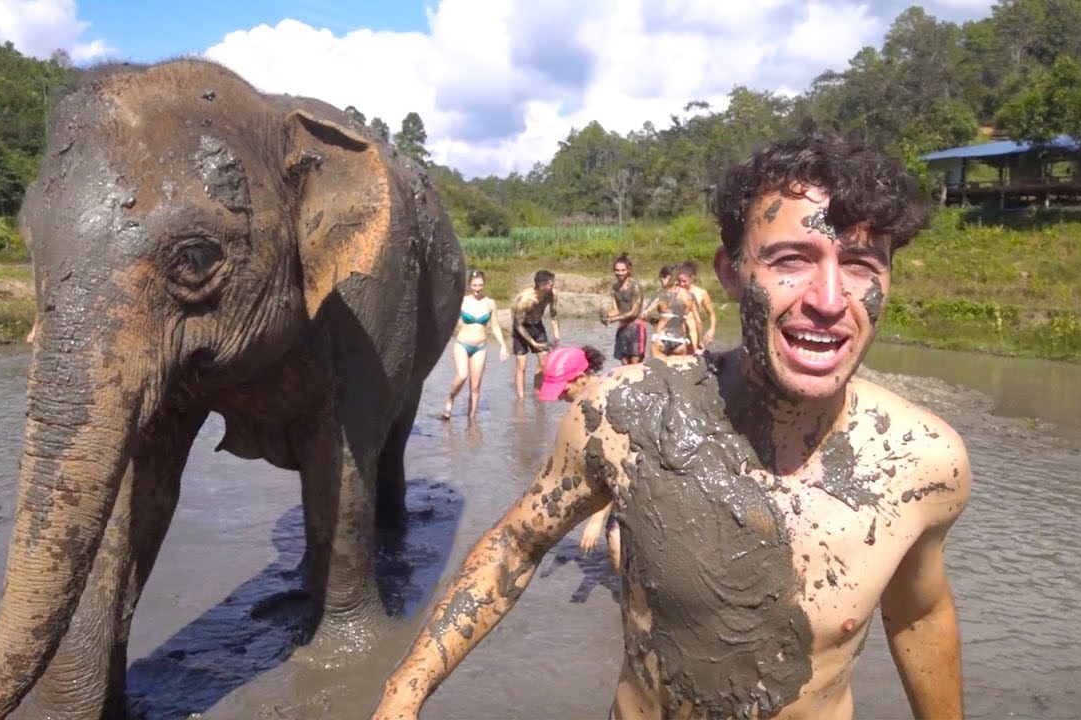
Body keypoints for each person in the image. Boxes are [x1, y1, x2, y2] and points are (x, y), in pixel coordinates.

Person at [372, 133, 971, 720]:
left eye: (863, 264)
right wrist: (405, 691)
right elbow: (515, 547)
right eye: (792, 260)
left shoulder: (921, 462)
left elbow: (919, 612)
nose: (831, 299)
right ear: (732, 274)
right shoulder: (626, 416)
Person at [443, 269, 509, 421]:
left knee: (475, 386)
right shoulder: (463, 301)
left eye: (480, 285)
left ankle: (471, 420)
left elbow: (495, 325)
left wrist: (503, 346)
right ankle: (450, 399)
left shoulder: (490, 303)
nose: (477, 289)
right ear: (469, 285)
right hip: (462, 344)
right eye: (474, 285)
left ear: (484, 285)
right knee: (462, 375)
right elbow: (449, 320)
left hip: (480, 347)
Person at [510, 269, 560, 399]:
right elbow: (517, 324)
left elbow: (553, 316)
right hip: (521, 328)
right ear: (542, 285)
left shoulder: (552, 294)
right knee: (522, 364)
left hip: (537, 325)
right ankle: (520, 400)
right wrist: (533, 343)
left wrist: (556, 336)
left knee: (544, 363)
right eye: (550, 284)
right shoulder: (525, 300)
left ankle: (538, 395)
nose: (553, 286)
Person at [646, 265, 703, 359]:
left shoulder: (661, 294)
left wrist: (655, 321)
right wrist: (700, 341)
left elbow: (644, 313)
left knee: (657, 372)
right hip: (680, 341)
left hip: (661, 337)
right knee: (676, 372)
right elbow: (699, 322)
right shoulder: (690, 296)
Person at [600, 253, 645, 365]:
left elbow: (634, 312)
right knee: (624, 364)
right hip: (623, 328)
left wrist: (614, 319)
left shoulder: (635, 287)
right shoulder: (615, 288)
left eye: (622, 270)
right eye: (617, 270)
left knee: (635, 365)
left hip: (636, 327)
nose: (619, 273)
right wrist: (606, 316)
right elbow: (616, 310)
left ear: (628, 270)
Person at [676, 261, 717, 352]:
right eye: (679, 281)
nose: (681, 284)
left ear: (692, 278)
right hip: (678, 333)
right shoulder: (676, 291)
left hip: (693, 333)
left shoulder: (701, 293)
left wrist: (712, 329)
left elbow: (711, 313)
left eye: (684, 281)